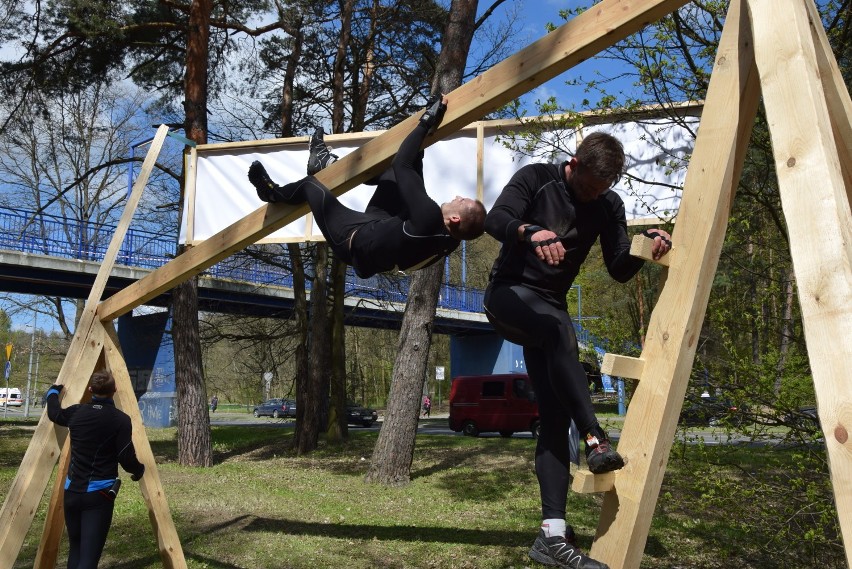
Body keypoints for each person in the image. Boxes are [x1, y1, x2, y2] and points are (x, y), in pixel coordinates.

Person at [483, 131, 671, 569]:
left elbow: (619, 267)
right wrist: (530, 232)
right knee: (558, 330)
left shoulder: (608, 205)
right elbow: (496, 220)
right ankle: (597, 438)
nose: (593, 196)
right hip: (507, 296)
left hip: (549, 312)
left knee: (555, 414)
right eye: (588, 187)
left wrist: (649, 245)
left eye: (602, 189)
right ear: (574, 163)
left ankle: (551, 535)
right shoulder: (536, 178)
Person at [247, 97, 487, 279]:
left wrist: (426, 122)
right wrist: (427, 132)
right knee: (396, 177)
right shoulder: (451, 238)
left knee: (311, 187)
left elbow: (402, 163)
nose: (457, 196)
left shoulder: (429, 218)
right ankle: (324, 163)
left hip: (352, 239)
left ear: (455, 218)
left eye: (463, 200)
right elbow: (411, 175)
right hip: (382, 226)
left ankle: (271, 192)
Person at [45, 371, 146, 569]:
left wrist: (52, 392)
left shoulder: (76, 412)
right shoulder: (121, 420)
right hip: (99, 497)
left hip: (72, 492)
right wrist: (139, 470)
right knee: (89, 558)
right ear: (114, 391)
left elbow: (54, 413)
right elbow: (125, 456)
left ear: (90, 390)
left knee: (76, 549)